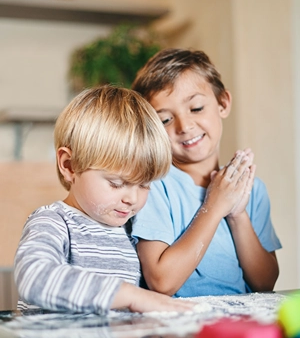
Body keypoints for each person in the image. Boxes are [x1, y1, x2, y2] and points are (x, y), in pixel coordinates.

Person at [14, 86, 194, 315]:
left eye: (144, 185)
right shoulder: (54, 222)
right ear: (69, 165)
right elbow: (34, 277)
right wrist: (129, 295)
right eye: (116, 183)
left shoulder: (129, 229)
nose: (132, 198)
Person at [131, 48, 281, 297]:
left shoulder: (251, 189)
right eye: (165, 120)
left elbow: (265, 284)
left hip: (239, 325)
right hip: (180, 329)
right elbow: (161, 282)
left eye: (197, 108)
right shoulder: (152, 187)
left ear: (223, 103)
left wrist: (237, 214)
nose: (185, 126)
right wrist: (214, 205)